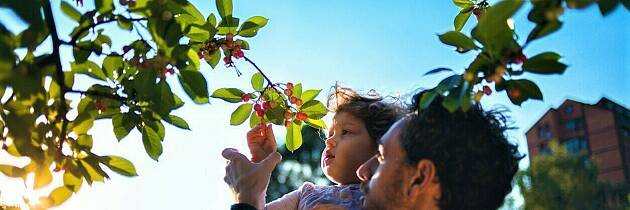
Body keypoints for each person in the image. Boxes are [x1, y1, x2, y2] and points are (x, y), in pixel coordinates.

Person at [224, 90, 524, 210]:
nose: (363, 170)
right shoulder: (307, 193)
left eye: (380, 159)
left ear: (420, 179)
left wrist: (247, 197)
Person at [227, 86, 404, 210]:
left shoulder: (387, 197)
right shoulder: (305, 193)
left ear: (381, 148)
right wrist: (260, 168)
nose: (329, 142)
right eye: (330, 134)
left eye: (346, 132)